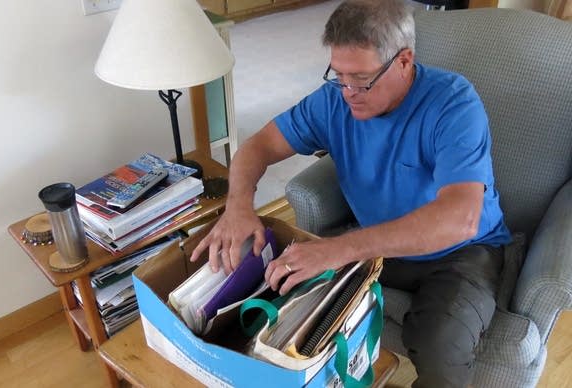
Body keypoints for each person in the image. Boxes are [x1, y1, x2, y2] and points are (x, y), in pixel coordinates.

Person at [190, 0, 511, 386]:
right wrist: (239, 205)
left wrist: (339, 248)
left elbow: (461, 218)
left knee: (441, 347)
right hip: (377, 243)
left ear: (404, 61)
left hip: (462, 251)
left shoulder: (454, 103)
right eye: (338, 75)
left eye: (361, 79)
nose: (348, 92)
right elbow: (257, 146)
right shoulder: (333, 101)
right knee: (285, 297)